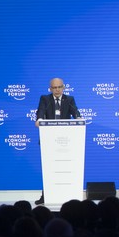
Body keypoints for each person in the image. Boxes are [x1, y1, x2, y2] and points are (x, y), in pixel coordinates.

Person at [34, 77, 81, 205]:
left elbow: (75, 111)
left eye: (59, 87)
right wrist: (39, 119)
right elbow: (41, 111)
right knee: (49, 169)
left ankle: (68, 195)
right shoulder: (45, 99)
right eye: (54, 87)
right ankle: (45, 196)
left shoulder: (69, 100)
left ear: (63, 87)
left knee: (65, 168)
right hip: (48, 140)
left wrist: (79, 117)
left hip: (66, 141)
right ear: (50, 88)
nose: (57, 89)